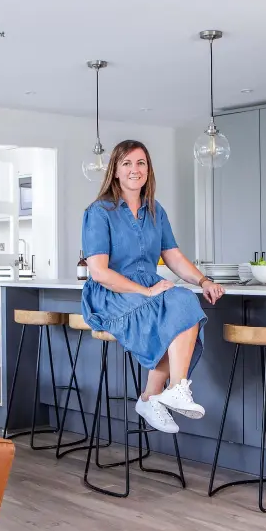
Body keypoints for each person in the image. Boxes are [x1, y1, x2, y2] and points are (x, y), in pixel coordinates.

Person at [81, 139, 225, 433]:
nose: (135, 170)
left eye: (141, 163)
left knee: (184, 300)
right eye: (127, 164)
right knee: (164, 313)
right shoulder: (99, 212)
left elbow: (172, 255)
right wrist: (146, 292)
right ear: (116, 171)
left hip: (148, 288)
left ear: (148, 169)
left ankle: (172, 389)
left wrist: (203, 280)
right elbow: (98, 272)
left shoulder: (155, 210)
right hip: (111, 294)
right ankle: (152, 396)